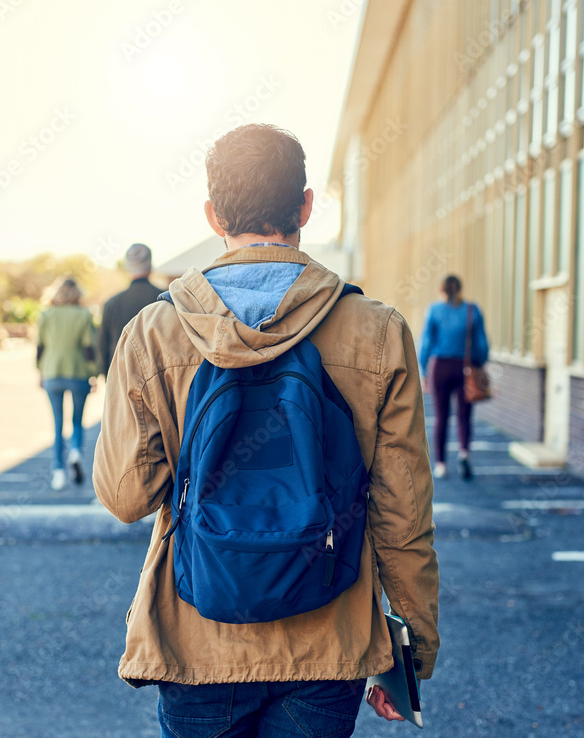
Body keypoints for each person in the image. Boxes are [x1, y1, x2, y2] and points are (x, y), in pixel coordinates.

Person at [93, 124, 439, 736]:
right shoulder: (377, 330)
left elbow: (126, 497)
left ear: (212, 214)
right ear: (305, 206)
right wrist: (409, 652)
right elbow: (402, 513)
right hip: (328, 640)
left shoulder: (156, 331)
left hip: (197, 641)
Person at [419, 274, 489, 481]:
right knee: (465, 415)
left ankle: (440, 464)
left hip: (440, 367)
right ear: (460, 289)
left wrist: (423, 370)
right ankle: (464, 452)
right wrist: (479, 363)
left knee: (441, 416)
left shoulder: (434, 310)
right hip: (465, 367)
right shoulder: (472, 310)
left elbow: (426, 343)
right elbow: (482, 345)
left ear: (441, 290)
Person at [36, 278, 97, 491]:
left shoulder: (46, 315)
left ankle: (59, 473)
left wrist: (40, 371)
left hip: (52, 373)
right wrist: (93, 374)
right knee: (77, 421)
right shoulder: (84, 315)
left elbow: (40, 347)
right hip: (78, 373)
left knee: (58, 424)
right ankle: (75, 452)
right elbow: (89, 347)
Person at [98, 243, 162, 379]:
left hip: (121, 376)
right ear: (150, 266)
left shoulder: (111, 304)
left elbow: (103, 345)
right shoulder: (165, 299)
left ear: (127, 268)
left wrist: (107, 377)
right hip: (158, 377)